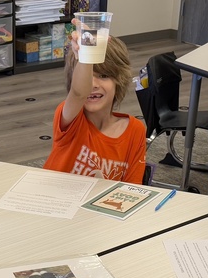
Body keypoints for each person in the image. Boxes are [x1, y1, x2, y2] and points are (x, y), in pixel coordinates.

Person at [42, 24, 146, 184]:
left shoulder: (135, 130)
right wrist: (86, 49)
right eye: (88, 76)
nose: (93, 85)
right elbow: (79, 93)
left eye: (103, 76)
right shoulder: (71, 118)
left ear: (119, 81)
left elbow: (132, 188)